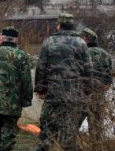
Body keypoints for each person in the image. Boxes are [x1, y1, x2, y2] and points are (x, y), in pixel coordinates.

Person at [34, 13, 93, 151]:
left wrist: (41, 89)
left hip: (53, 95)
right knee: (69, 134)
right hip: (74, 96)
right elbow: (88, 69)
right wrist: (87, 89)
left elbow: (41, 66)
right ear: (72, 26)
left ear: (59, 25)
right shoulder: (81, 43)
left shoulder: (49, 42)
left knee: (47, 132)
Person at [0, 27, 33, 151]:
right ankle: (4, 147)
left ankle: (1, 146)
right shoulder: (21, 55)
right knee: (9, 129)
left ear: (2, 37)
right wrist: (27, 99)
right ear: (16, 39)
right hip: (13, 101)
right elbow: (26, 79)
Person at [79, 27, 113, 149]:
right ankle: (97, 147)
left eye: (82, 38)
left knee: (74, 125)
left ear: (86, 39)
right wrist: (103, 89)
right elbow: (109, 78)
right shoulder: (105, 54)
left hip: (82, 95)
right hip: (99, 96)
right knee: (96, 127)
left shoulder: (81, 53)